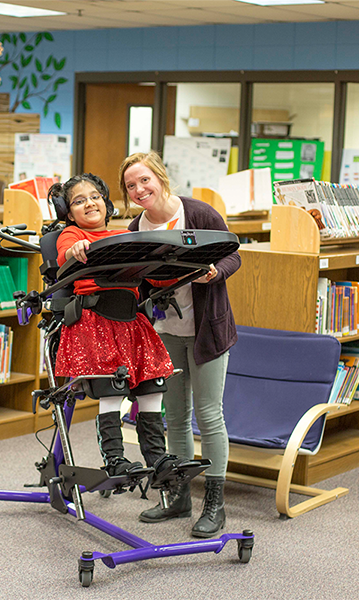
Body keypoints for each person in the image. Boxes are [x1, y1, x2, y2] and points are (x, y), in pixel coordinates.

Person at [118, 150, 241, 538]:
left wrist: (214, 272)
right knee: (174, 416)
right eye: (131, 185)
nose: (139, 189)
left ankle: (215, 504)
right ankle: (178, 495)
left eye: (144, 180)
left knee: (208, 414)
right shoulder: (135, 228)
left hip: (208, 330)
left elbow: (233, 254)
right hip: (166, 331)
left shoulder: (199, 214)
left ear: (160, 177)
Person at [49, 173, 181, 483]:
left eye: (94, 197)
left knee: (152, 386)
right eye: (79, 201)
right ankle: (116, 460)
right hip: (95, 324)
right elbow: (65, 253)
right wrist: (75, 249)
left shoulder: (125, 235)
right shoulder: (71, 234)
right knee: (112, 389)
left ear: (106, 204)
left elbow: (154, 278)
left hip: (131, 324)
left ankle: (157, 458)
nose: (89, 203)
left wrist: (184, 267)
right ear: (69, 213)